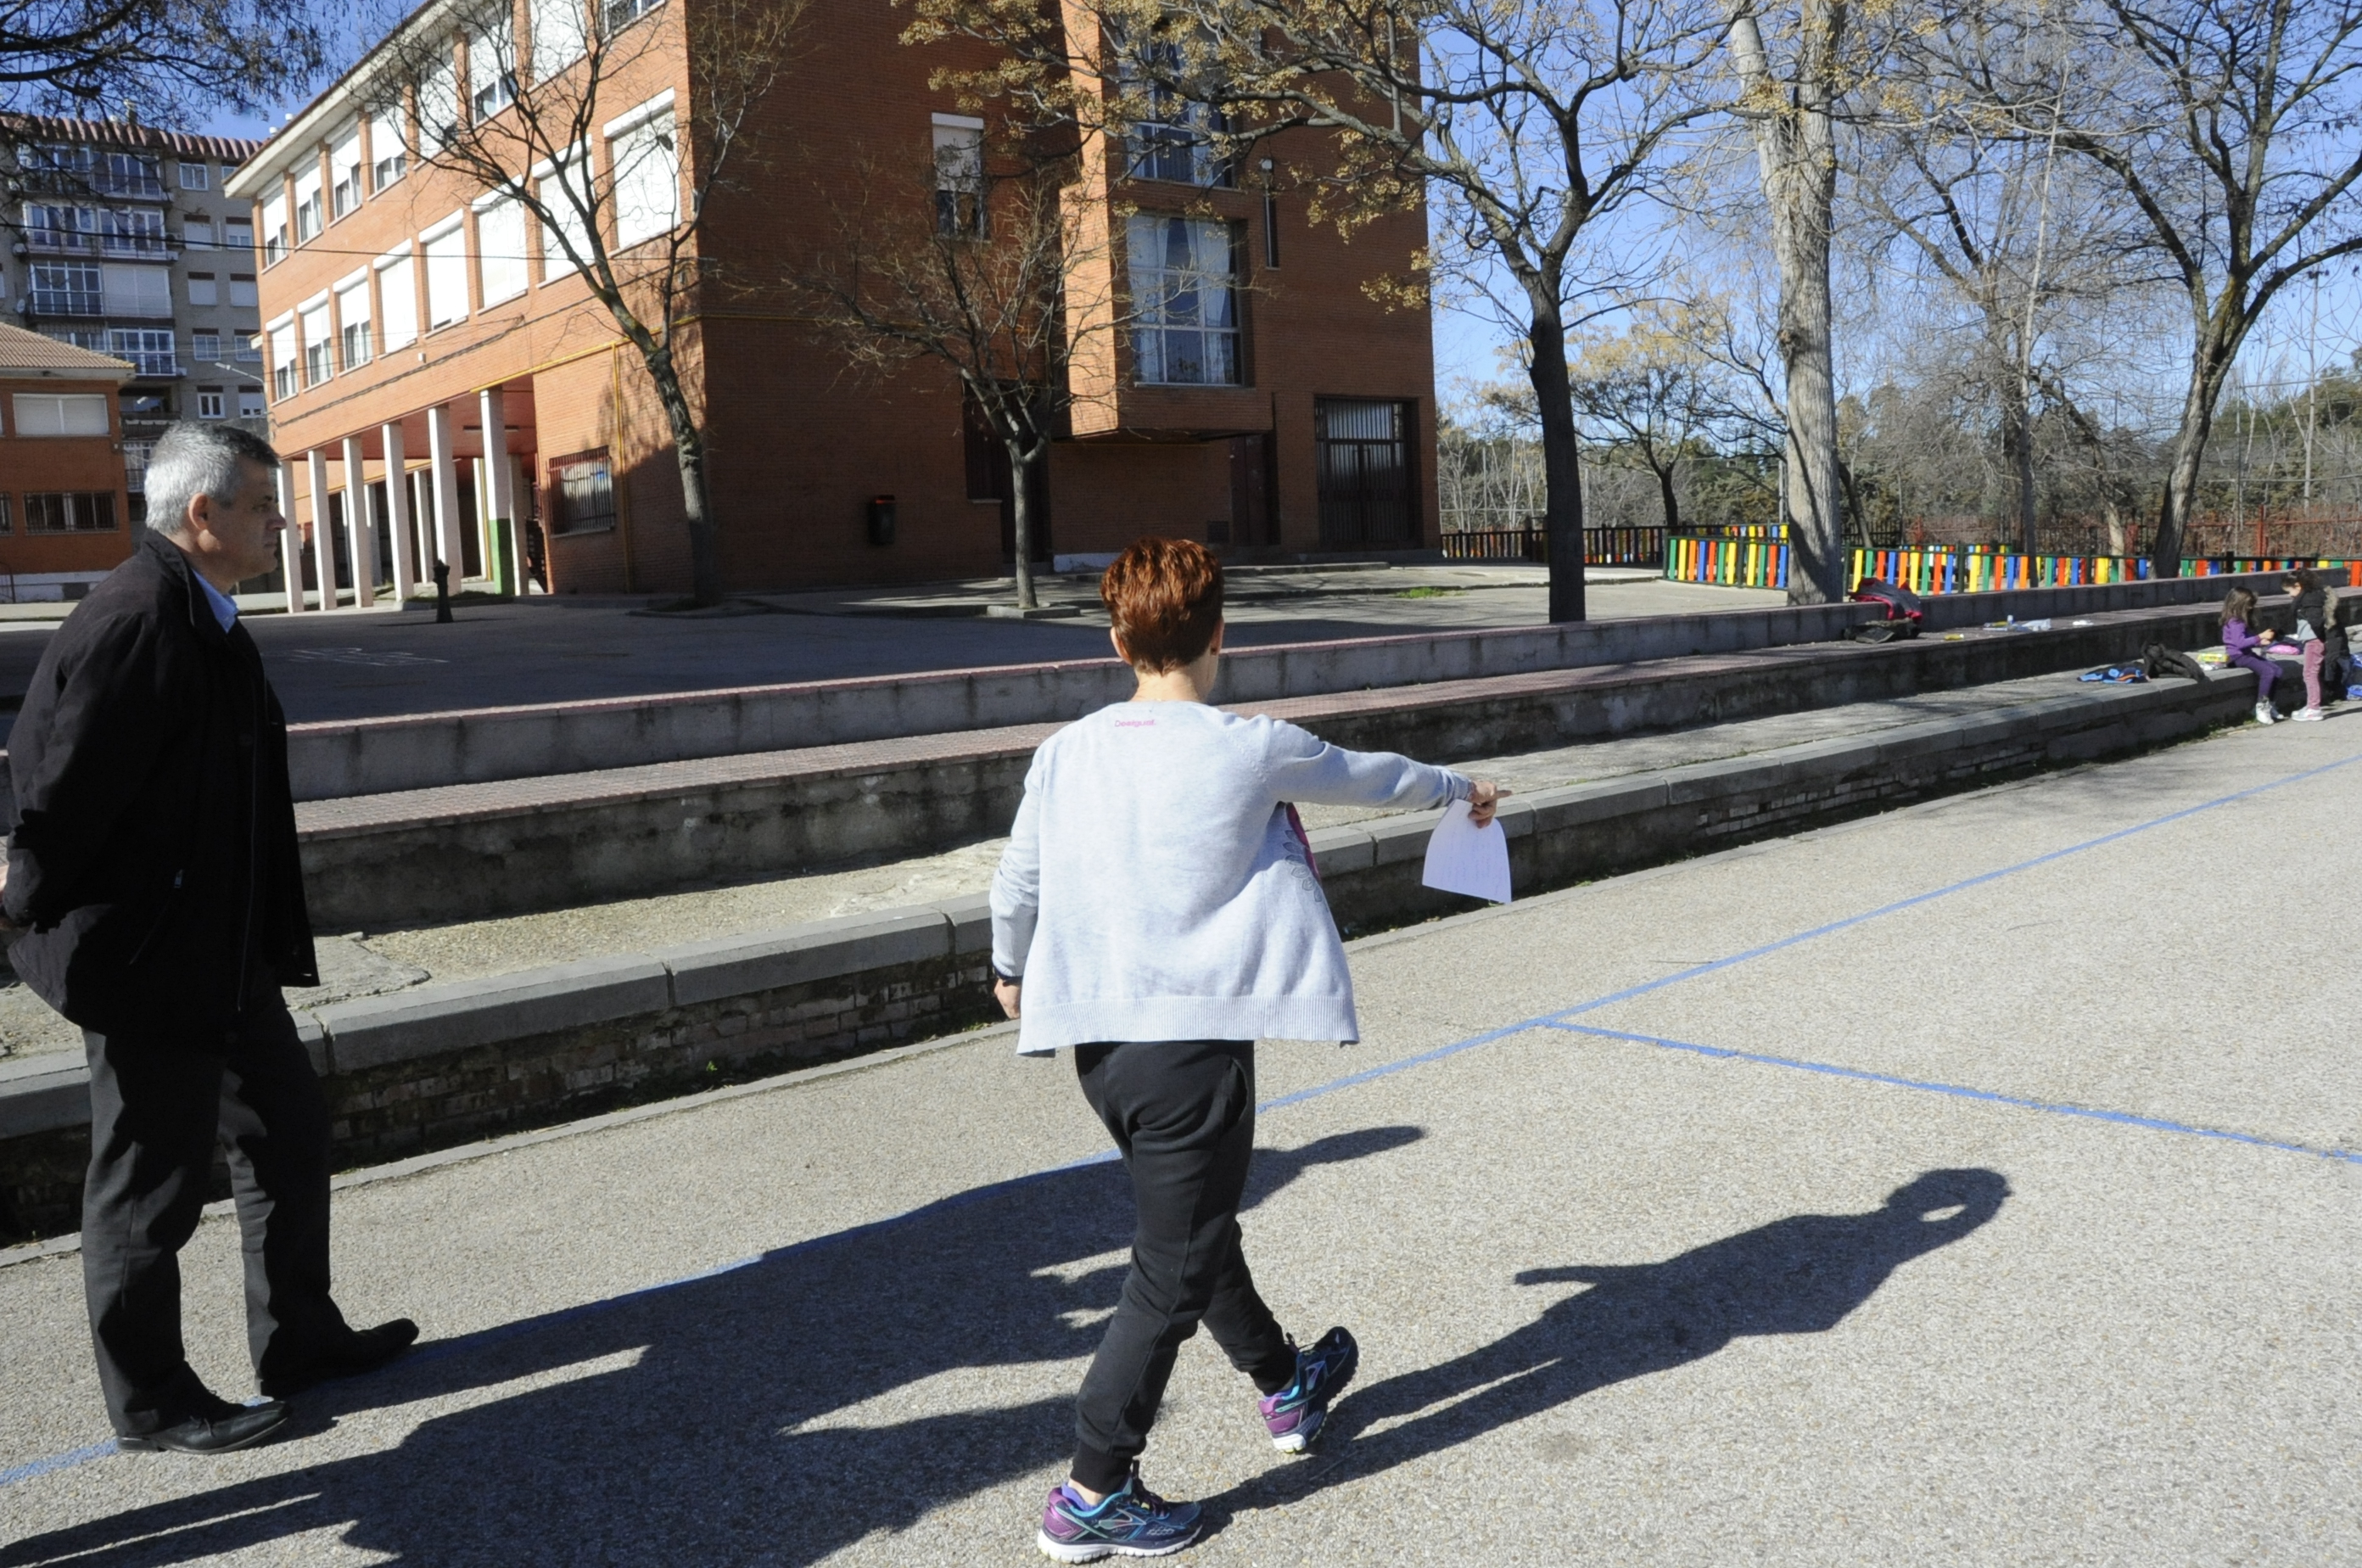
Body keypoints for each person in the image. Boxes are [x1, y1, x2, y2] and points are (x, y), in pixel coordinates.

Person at [990, 537, 1503, 1561]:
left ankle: (1284, 1382)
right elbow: (1375, 778)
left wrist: (1009, 970)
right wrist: (1463, 788)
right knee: (1172, 1268)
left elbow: (1018, 883)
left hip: (1101, 1049)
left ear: (1117, 642)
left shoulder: (1066, 752)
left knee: (1195, 1226)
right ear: (1220, 636)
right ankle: (1093, 1490)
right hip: (1191, 1047)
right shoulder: (1248, 745)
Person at [1, 423, 415, 1455]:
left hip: (220, 954)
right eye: (265, 507)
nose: (284, 525)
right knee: (149, 1188)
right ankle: (151, 1402)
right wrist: (18, 910)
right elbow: (61, 798)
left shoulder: (203, 616)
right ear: (204, 513)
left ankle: (300, 1340)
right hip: (149, 965)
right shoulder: (141, 622)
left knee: (288, 1134)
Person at [2281, 568, 2337, 721]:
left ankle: (2313, 708)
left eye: (2289, 591)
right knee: (2311, 673)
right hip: (2314, 639)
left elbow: (2316, 621)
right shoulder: (2313, 596)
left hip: (2314, 641)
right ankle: (2312, 706)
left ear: (2298, 586)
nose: (2290, 595)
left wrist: (2318, 635)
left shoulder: (2309, 600)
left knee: (2309, 674)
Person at [2219, 586, 2279, 725]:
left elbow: (2246, 640)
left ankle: (2270, 704)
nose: (2251, 608)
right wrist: (2260, 636)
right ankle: (2261, 707)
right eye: (2248, 605)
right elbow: (2240, 643)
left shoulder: (2240, 621)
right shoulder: (2235, 622)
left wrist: (2259, 643)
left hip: (2246, 653)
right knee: (2268, 672)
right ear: (2239, 604)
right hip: (2237, 656)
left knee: (2277, 670)